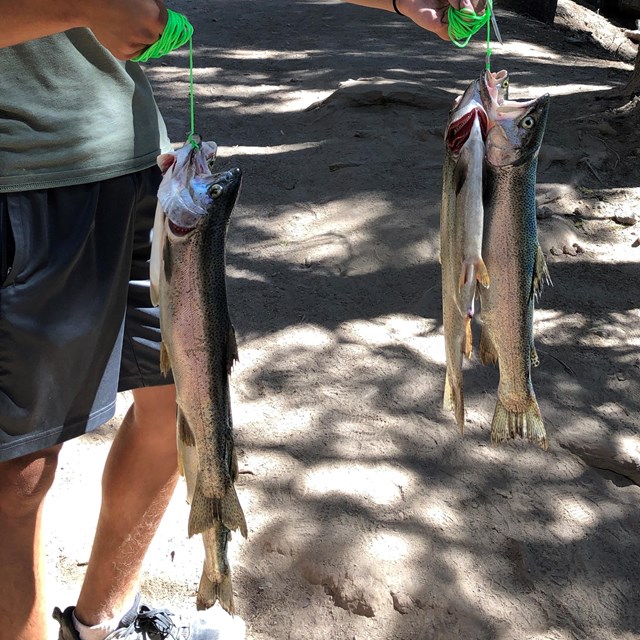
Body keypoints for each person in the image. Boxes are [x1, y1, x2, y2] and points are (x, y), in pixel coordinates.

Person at [0, 1, 480, 639]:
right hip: (21, 183)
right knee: (21, 473)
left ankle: (95, 626)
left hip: (143, 168)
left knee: (181, 413)